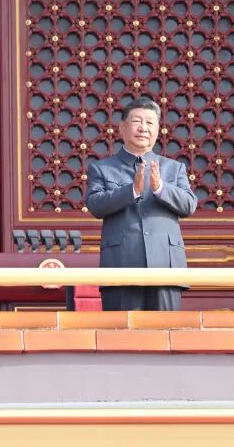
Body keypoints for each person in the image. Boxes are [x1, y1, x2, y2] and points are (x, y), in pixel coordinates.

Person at [86, 97, 198, 310]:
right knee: (122, 329)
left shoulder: (174, 168)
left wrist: (160, 188)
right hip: (121, 263)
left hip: (166, 265)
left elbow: (189, 205)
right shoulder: (102, 168)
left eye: (150, 122)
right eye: (137, 121)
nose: (143, 128)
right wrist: (132, 191)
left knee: (166, 329)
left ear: (157, 130)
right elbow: (95, 204)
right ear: (122, 127)